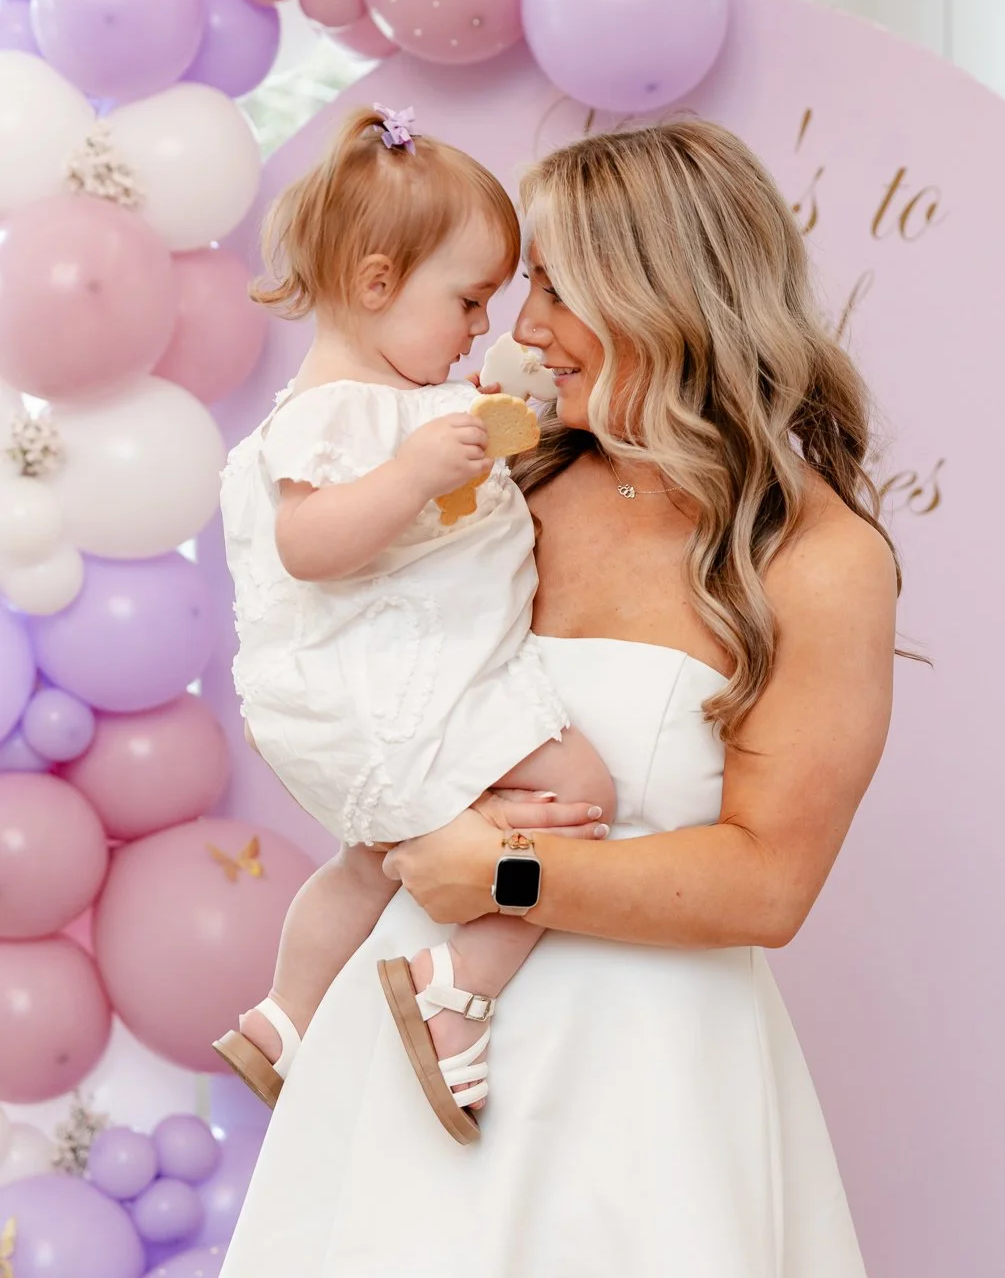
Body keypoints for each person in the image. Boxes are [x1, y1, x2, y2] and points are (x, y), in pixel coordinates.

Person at [220, 118, 897, 1278]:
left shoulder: (812, 556)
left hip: (648, 1093)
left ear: (662, 295)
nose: (521, 327)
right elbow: (349, 667)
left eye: (552, 286)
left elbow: (769, 879)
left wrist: (499, 873)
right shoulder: (500, 489)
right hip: (407, 1071)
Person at [214, 104, 615, 1143]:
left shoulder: (410, 407)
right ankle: (456, 986)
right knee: (579, 789)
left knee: (364, 862)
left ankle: (284, 1017)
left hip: (403, 685)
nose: (485, 327)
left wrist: (464, 454)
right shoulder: (333, 418)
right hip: (397, 689)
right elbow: (307, 544)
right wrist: (408, 474)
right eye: (469, 300)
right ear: (379, 283)